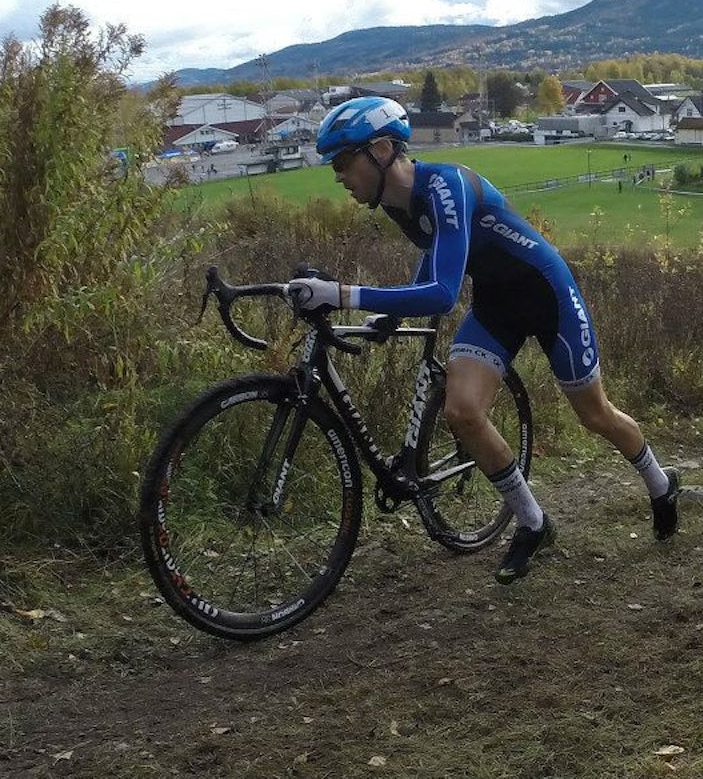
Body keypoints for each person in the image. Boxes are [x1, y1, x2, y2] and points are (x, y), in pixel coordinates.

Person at [287, 97, 680, 584]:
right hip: (497, 303)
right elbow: (434, 258)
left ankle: (661, 484)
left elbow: (443, 294)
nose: (339, 176)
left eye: (344, 162)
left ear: (383, 149)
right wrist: (388, 309)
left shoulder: (445, 186)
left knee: (594, 414)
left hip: (547, 294)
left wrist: (343, 294)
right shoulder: (395, 202)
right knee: (462, 412)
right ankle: (533, 523)